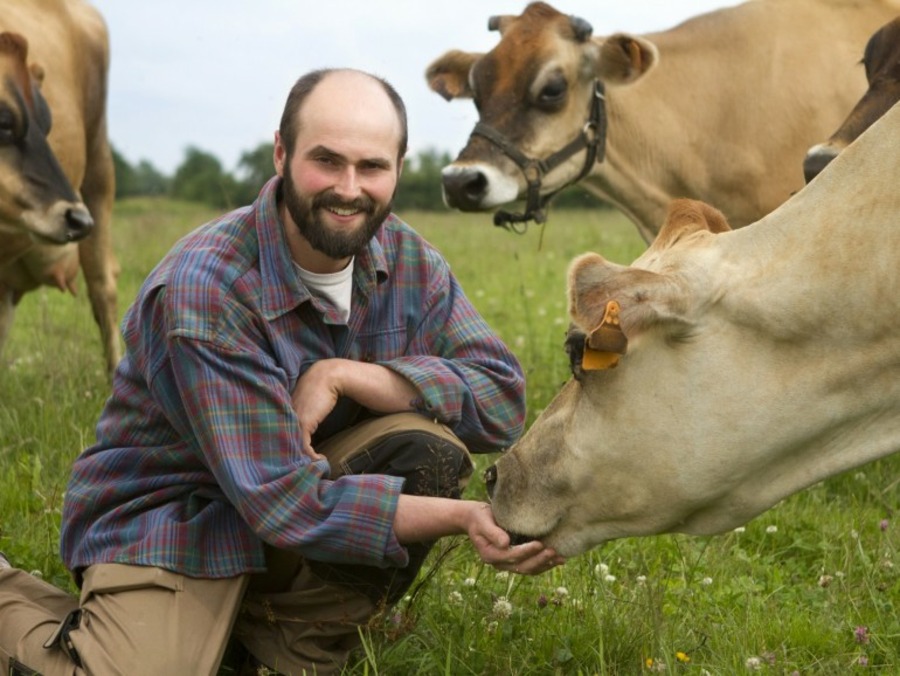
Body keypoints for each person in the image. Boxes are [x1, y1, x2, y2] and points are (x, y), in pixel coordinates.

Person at [0, 68, 564, 675]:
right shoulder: (206, 289)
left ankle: (284, 644)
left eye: (372, 167)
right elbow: (285, 502)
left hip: (293, 503)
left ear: (399, 168)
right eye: (327, 161)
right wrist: (464, 517)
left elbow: (502, 396)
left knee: (424, 446)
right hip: (174, 519)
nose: (349, 189)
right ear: (282, 154)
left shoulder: (409, 261)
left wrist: (348, 375)